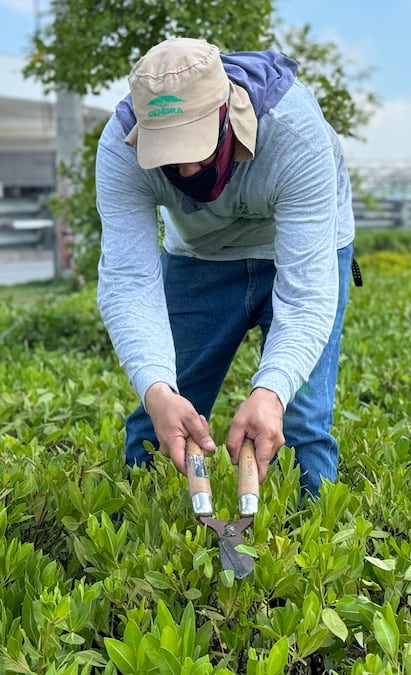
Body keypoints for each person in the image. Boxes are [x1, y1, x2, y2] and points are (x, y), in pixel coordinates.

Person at [94, 37, 356, 499]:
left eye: (198, 145)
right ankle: (134, 538)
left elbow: (307, 294)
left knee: (300, 421)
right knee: (163, 418)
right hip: (201, 256)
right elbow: (129, 282)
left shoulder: (293, 132)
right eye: (170, 154)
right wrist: (158, 393)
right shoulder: (120, 148)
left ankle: (307, 548)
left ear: (226, 112)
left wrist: (271, 392)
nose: (189, 169)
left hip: (302, 253)